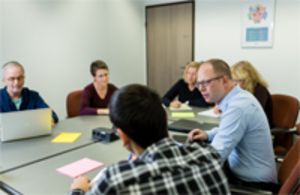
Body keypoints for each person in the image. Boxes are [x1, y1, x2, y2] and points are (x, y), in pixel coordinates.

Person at [70, 84, 230, 194]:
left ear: (123, 137)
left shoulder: (116, 180)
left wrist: (78, 190)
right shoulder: (209, 156)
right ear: (165, 120)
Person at [188, 59, 277, 190]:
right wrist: (208, 134)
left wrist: (178, 160)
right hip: (243, 173)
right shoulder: (239, 97)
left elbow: (214, 157)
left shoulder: (238, 107)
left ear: (224, 80)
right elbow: (229, 128)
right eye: (199, 83)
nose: (201, 88)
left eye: (206, 82)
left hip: (254, 185)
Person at [231, 60, 273, 127]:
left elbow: (253, 113)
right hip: (245, 125)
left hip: (260, 129)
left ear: (248, 80)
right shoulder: (239, 90)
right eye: (233, 80)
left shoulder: (260, 90)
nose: (234, 83)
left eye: (238, 80)